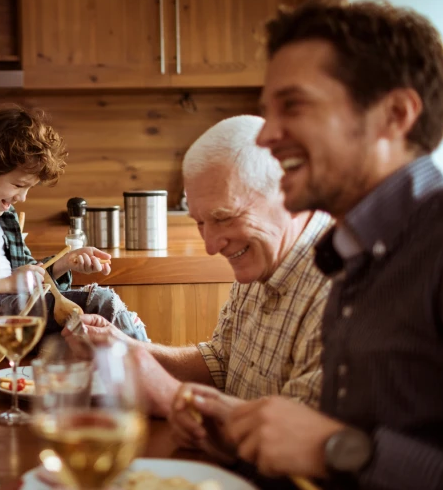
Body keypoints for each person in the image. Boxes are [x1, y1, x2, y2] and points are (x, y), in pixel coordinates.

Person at [207, 0, 443, 490]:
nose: (267, 136)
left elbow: (344, 451)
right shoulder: (358, 256)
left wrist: (338, 447)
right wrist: (244, 437)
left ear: (395, 115)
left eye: (293, 106)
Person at [73, 116, 332, 450]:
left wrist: (172, 397)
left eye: (223, 217)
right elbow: (221, 363)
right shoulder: (260, 256)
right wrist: (124, 346)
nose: (211, 246)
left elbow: (300, 451)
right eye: (199, 222)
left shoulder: (338, 286)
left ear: (289, 194)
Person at [0, 106, 147, 354]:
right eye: (17, 184)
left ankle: (141, 372)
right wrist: (6, 283)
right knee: (99, 302)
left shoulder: (6, 216)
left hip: (19, 311)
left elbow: (29, 277)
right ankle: (154, 368)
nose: (22, 197)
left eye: (28, 189)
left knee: (95, 332)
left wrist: (63, 264)